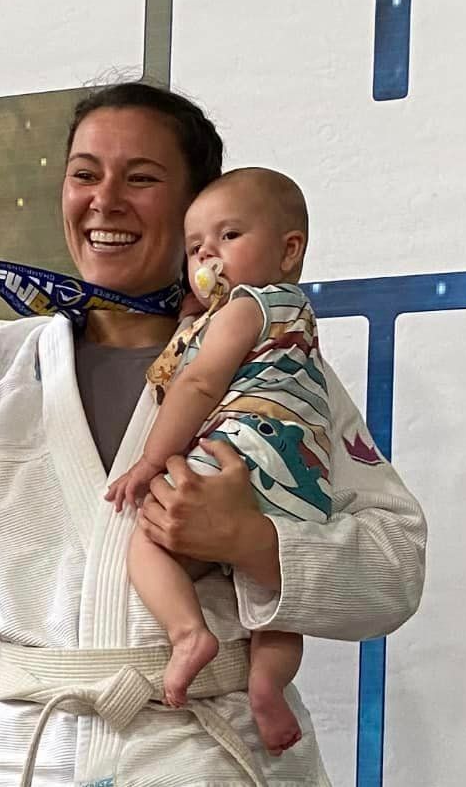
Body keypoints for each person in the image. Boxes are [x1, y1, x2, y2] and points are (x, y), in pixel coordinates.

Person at [0, 82, 427, 787]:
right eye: (84, 174)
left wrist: (252, 542)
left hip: (212, 756)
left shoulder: (271, 367)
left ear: (197, 206)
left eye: (141, 178)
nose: (104, 200)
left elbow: (395, 567)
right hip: (31, 758)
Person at [107, 167, 330, 756]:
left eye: (229, 236)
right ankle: (266, 684)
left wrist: (151, 460)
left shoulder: (244, 308)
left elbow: (201, 382)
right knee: (278, 604)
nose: (208, 255)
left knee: (148, 542)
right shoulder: (295, 314)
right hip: (301, 474)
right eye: (195, 248)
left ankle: (188, 635)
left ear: (289, 250)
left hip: (241, 451)